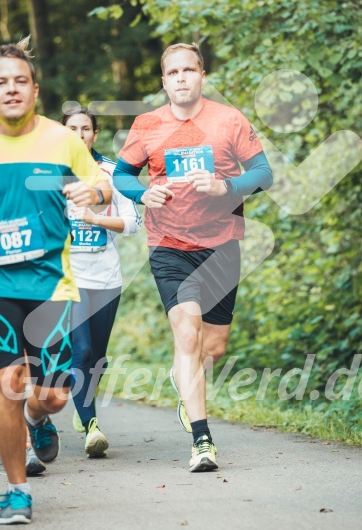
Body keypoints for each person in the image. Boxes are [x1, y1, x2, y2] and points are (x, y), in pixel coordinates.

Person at [113, 42, 273, 472]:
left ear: (202, 75)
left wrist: (228, 187)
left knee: (213, 346)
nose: (181, 77)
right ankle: (202, 440)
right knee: (187, 332)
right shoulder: (147, 124)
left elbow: (264, 174)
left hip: (221, 243)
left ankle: (184, 379)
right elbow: (122, 175)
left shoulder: (229, 120)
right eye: (173, 72)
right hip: (168, 244)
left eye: (189, 70)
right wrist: (144, 193)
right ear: (164, 81)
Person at [0, 37, 111, 524]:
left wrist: (95, 190)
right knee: (7, 385)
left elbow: (103, 186)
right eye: (1, 82)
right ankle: (17, 491)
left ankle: (38, 420)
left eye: (19, 81)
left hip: (51, 286)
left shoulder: (61, 140)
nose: (10, 89)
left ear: (35, 89)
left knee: (52, 395)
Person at [60, 106, 141, 457]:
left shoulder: (112, 172)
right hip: (68, 277)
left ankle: (82, 404)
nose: (79, 135)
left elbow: (132, 223)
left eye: (86, 129)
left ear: (95, 134)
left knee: (99, 357)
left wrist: (95, 219)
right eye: (72, 129)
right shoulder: (51, 173)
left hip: (106, 275)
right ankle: (92, 426)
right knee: (82, 350)